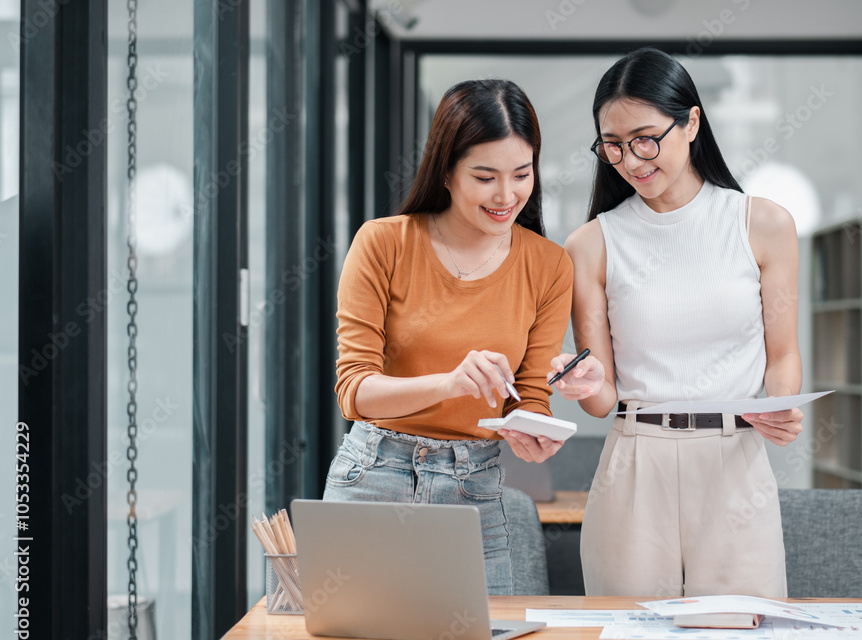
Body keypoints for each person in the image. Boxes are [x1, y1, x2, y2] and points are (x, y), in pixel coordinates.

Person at [549, 47, 803, 598]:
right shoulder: (590, 245)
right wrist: (586, 386)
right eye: (612, 146)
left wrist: (781, 403)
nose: (631, 161)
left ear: (691, 122)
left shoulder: (763, 225)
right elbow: (602, 397)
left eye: (645, 139)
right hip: (635, 466)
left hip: (736, 465)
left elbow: (782, 356)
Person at [326, 79, 572, 595]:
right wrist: (449, 383)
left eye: (522, 174)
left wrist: (533, 433)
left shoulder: (549, 266)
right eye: (485, 177)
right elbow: (354, 392)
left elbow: (529, 396)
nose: (507, 196)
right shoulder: (383, 243)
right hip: (374, 477)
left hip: (475, 489)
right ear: (446, 170)